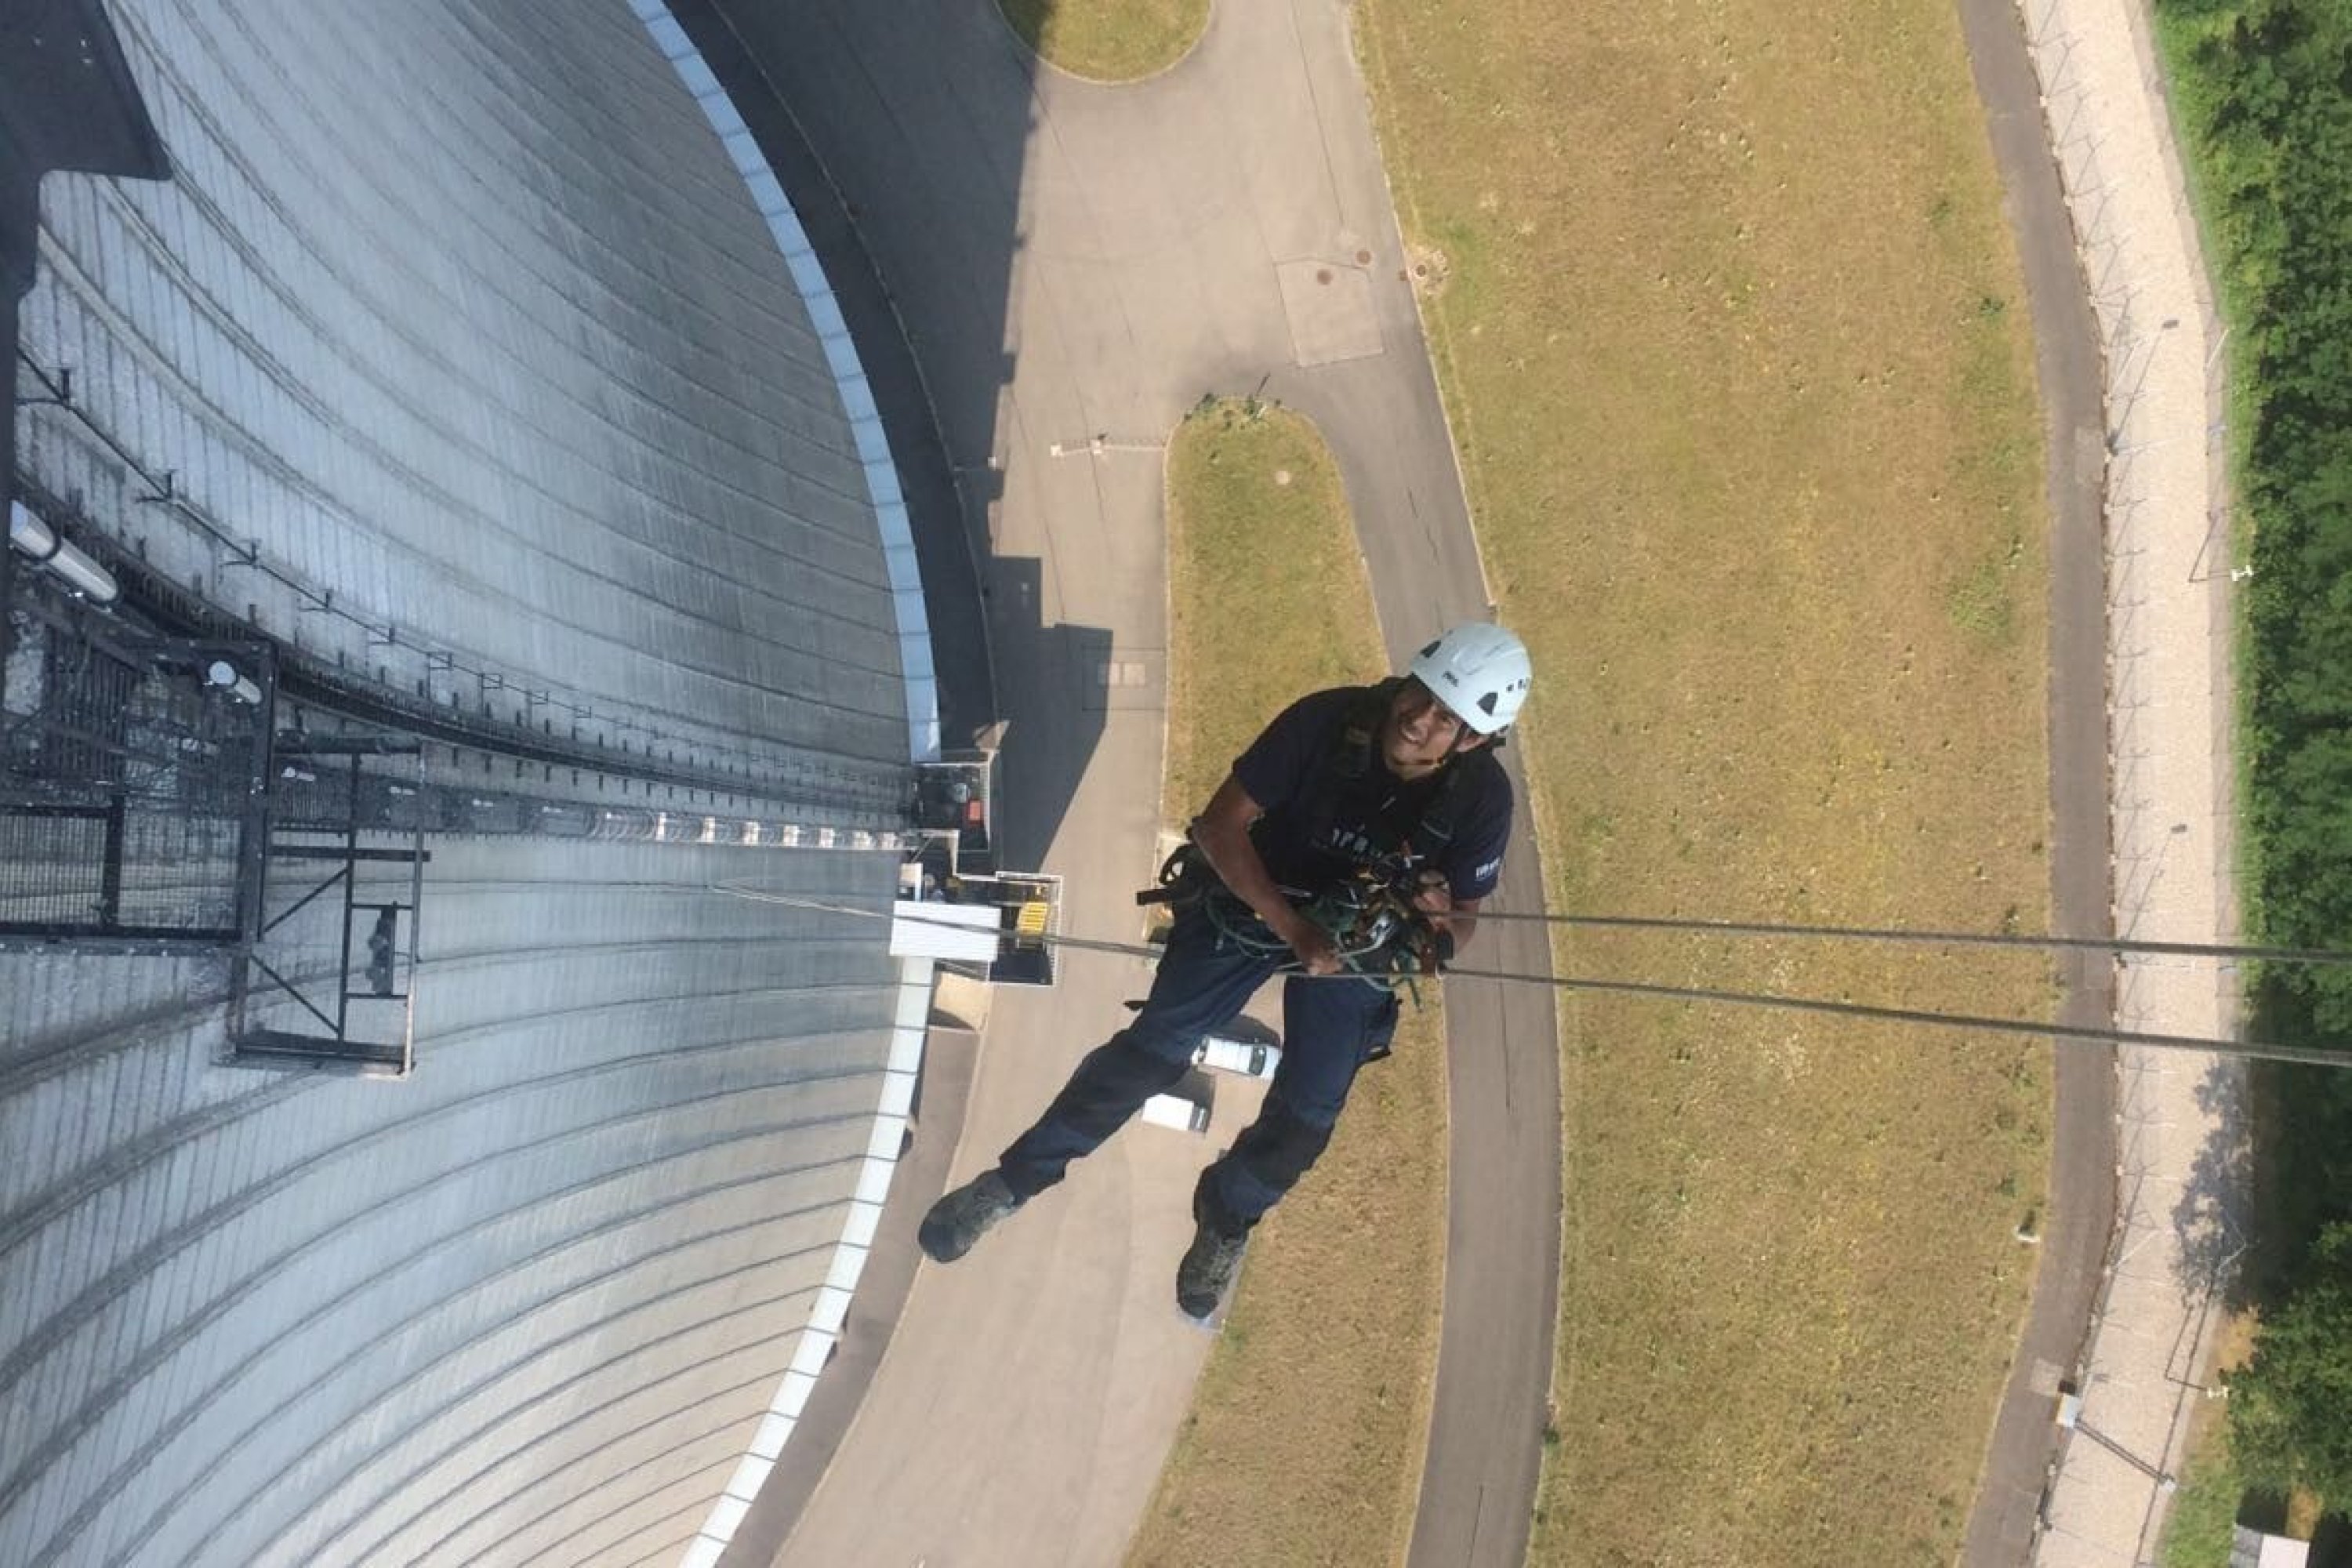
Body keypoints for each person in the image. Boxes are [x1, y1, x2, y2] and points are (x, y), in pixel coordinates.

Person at [918, 621, 1530, 1319]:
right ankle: (1011, 1184)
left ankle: (1228, 1214)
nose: (1417, 719)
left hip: (1357, 939)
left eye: (1444, 717)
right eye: (1421, 694)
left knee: (1309, 1117)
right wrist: (1292, 927)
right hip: (1253, 899)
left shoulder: (1482, 800)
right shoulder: (1328, 721)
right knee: (1150, 1052)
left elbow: (1467, 917)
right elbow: (1219, 826)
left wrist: (1440, 922)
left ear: (1474, 740)